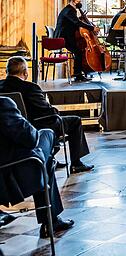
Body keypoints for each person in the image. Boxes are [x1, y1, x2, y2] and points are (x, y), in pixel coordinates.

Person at [0, 57, 94, 173]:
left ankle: (50, 158)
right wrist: (55, 112)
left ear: (7, 72)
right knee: (75, 121)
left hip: (12, 129)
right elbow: (46, 111)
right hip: (37, 126)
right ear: (25, 73)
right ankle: (76, 163)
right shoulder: (31, 88)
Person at [0, 96, 74, 238]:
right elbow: (31, 138)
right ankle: (50, 221)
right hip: (14, 181)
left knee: (43, 159)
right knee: (46, 136)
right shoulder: (3, 103)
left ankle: (51, 220)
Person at [53, 0, 98, 82]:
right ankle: (78, 75)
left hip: (66, 35)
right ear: (73, 2)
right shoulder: (69, 10)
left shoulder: (68, 10)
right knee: (78, 52)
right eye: (78, 2)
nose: (79, 3)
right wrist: (92, 28)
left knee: (78, 52)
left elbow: (73, 22)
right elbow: (77, 22)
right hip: (64, 37)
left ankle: (78, 73)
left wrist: (81, 18)